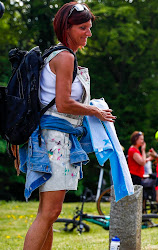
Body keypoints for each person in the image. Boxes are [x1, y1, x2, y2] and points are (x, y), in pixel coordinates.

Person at [20, 3, 116, 249]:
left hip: (53, 138)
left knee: (49, 213)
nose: (88, 33)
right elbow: (63, 104)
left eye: (90, 27)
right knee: (50, 213)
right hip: (55, 139)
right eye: (83, 28)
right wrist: (95, 111)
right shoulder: (64, 57)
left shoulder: (55, 54)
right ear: (67, 28)